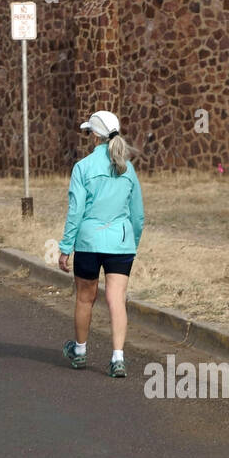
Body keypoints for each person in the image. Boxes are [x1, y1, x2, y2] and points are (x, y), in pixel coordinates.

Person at [57, 110, 144, 378]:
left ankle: (80, 351)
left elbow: (76, 211)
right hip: (120, 242)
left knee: (85, 298)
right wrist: (132, 243)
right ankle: (118, 358)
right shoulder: (127, 169)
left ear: (95, 136)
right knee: (116, 298)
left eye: (88, 133)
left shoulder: (83, 168)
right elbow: (137, 214)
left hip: (88, 242)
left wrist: (65, 247)